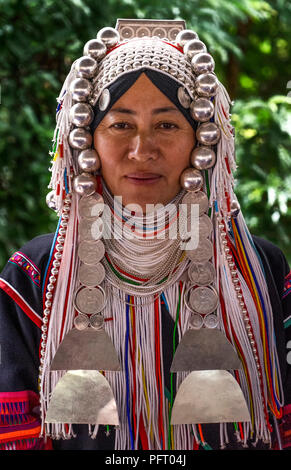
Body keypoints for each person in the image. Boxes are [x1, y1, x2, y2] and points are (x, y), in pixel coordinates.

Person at [0, 19, 291, 451]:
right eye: (120, 125)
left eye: (167, 125)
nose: (142, 150)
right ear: (86, 141)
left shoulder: (260, 268)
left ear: (203, 141)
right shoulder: (35, 275)